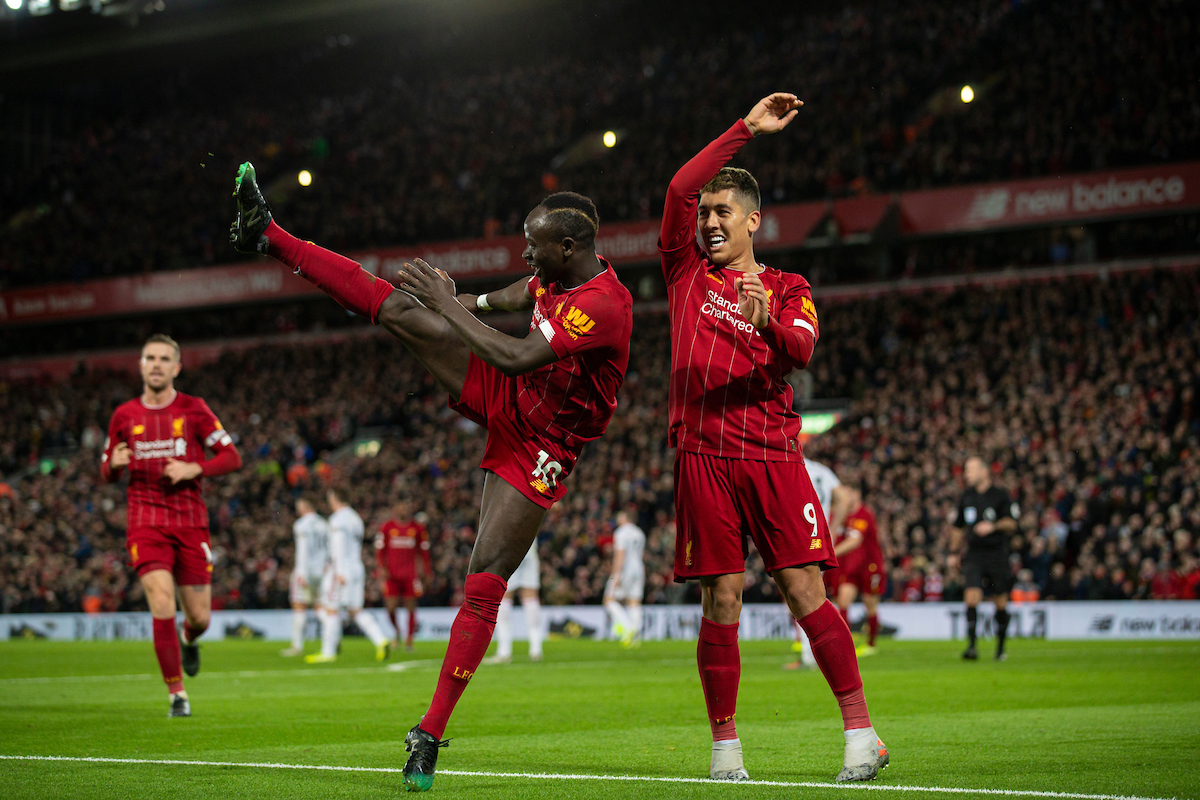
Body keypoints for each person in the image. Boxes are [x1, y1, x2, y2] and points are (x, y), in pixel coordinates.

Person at [231, 165, 632, 792]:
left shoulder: (603, 306)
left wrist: (447, 304)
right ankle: (271, 235)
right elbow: (508, 301)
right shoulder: (553, 276)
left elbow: (515, 351)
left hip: (544, 444)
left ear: (570, 248)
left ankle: (430, 731)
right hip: (511, 394)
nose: (526, 252)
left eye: (534, 243)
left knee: (484, 580)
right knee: (397, 310)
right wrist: (452, 303)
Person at [659, 93, 887, 783]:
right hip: (703, 456)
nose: (708, 222)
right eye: (704, 215)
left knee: (803, 591)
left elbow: (803, 348)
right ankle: (725, 752)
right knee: (720, 597)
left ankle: (861, 735)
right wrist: (743, 131)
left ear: (753, 220)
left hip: (771, 456)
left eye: (722, 212)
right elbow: (677, 186)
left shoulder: (789, 286)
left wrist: (764, 324)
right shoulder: (684, 270)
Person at [100, 334, 242, 717]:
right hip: (145, 521)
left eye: (165, 358)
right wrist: (112, 465)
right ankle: (177, 695)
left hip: (190, 522)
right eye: (150, 357)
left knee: (200, 617)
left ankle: (187, 638)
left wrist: (196, 466)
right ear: (141, 365)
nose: (157, 364)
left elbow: (231, 457)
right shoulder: (123, 416)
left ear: (177, 367)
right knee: (161, 601)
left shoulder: (194, 409)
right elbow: (107, 469)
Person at [305, 487, 391, 664]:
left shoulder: (338, 519)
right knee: (355, 610)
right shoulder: (355, 518)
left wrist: (337, 570)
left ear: (335, 498)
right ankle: (380, 640)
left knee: (331, 609)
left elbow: (339, 547)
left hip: (341, 569)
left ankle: (328, 652)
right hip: (356, 568)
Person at [785, 459, 855, 669]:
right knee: (815, 596)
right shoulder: (822, 470)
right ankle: (828, 650)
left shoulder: (787, 464)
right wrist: (832, 528)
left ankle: (810, 655)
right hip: (818, 537)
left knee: (798, 597)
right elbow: (843, 497)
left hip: (796, 535)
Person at [953, 456, 1019, 661]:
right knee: (971, 596)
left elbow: (1012, 523)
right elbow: (958, 526)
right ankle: (972, 647)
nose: (967, 474)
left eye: (971, 470)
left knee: (1000, 600)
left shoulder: (1000, 496)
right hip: (974, 553)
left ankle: (1000, 648)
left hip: (996, 553)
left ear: (984, 471)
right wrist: (954, 552)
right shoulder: (966, 496)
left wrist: (994, 526)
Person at [826, 490, 887, 657]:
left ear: (856, 494)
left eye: (847, 494)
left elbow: (855, 541)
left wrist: (831, 553)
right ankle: (846, 645)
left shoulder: (864, 514)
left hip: (870, 566)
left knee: (870, 604)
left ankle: (871, 644)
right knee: (844, 600)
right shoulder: (842, 516)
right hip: (851, 567)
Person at [375, 499, 432, 651]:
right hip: (391, 575)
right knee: (391, 608)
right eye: (400, 507)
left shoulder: (417, 529)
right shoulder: (387, 527)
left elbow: (424, 553)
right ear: (395, 509)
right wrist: (382, 568)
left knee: (411, 607)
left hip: (410, 574)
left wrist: (426, 572)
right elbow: (380, 551)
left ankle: (409, 640)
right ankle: (397, 631)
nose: (403, 510)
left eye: (406, 507)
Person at [281, 497, 329, 657]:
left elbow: (303, 550)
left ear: (304, 505)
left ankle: (297, 646)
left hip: (306, 571)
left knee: (299, 607)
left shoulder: (301, 525)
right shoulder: (324, 524)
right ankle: (332, 637)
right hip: (322, 571)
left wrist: (301, 572)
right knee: (319, 606)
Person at [487, 541, 543, 663]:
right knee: (530, 599)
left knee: (505, 598)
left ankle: (504, 652)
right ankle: (536, 650)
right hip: (528, 546)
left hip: (509, 548)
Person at [603, 509, 646, 646]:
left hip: (625, 569)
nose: (617, 518)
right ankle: (636, 636)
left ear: (626, 517)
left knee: (609, 600)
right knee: (634, 602)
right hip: (638, 569)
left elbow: (620, 555)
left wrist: (616, 575)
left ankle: (627, 628)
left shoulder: (621, 532)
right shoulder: (639, 533)